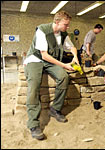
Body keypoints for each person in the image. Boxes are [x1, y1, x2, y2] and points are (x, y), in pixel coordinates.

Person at [23, 11, 80, 140]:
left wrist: (75, 57)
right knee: (34, 84)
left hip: (51, 61)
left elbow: (71, 47)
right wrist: (64, 65)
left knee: (64, 77)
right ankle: (33, 123)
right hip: (36, 59)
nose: (68, 27)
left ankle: (55, 109)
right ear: (56, 22)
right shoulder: (42, 30)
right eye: (66, 24)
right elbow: (44, 55)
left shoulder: (63, 33)